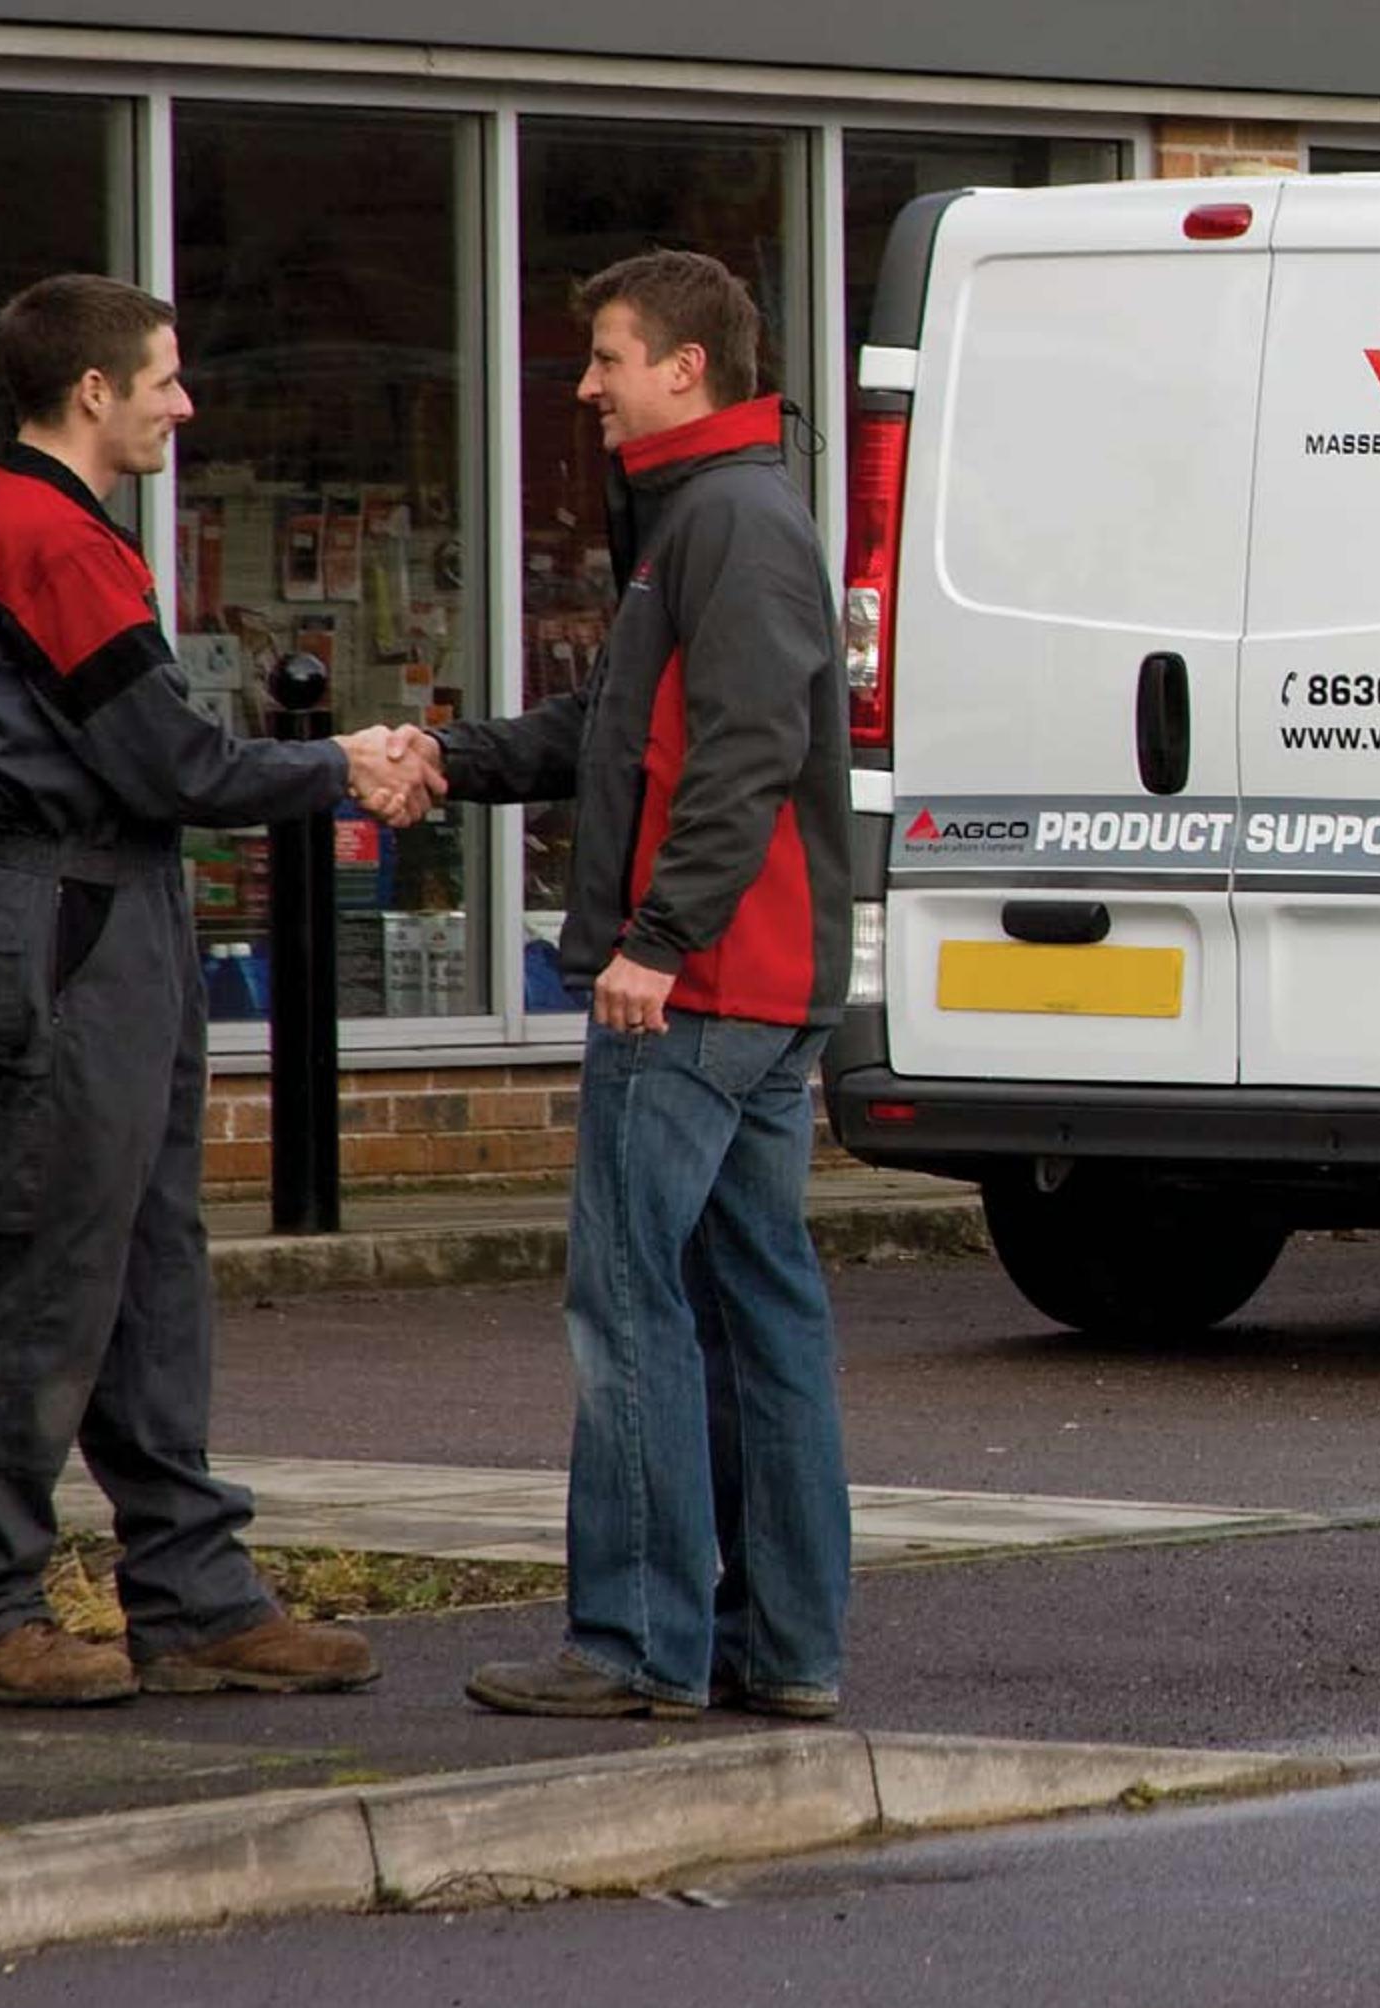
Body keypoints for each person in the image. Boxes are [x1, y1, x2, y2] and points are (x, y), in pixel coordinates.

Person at [0, 272, 440, 1706]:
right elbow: (171, 764)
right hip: (75, 905)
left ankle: (193, 1593)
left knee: (146, 1261)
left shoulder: (52, 526)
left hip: (107, 897)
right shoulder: (47, 534)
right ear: (93, 392)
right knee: (50, 1269)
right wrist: (344, 763)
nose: (183, 403)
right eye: (164, 377)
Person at [381, 249, 853, 1720]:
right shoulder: (711, 516)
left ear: (685, 368)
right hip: (747, 981)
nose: (583, 385)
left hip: (698, 990)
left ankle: (631, 1642)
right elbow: (619, 727)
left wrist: (655, 937)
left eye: (606, 355)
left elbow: (740, 752)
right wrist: (448, 759)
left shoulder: (731, 521)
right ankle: (777, 1646)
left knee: (632, 1307)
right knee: (751, 1309)